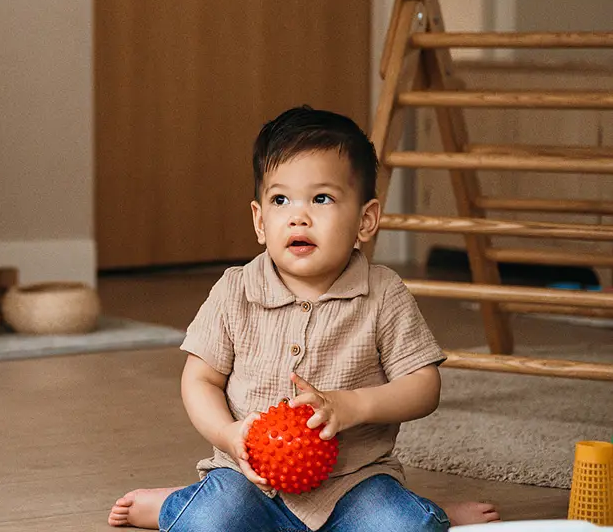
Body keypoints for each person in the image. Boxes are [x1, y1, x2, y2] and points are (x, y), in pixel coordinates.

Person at [108, 106, 500, 531]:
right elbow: (199, 379)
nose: (299, 216)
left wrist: (352, 406)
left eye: (321, 198)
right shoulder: (235, 289)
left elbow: (424, 387)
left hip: (353, 483)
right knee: (207, 521)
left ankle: (429, 513)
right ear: (260, 220)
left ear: (365, 220)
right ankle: (175, 504)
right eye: (281, 200)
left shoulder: (383, 292)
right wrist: (228, 434)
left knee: (406, 526)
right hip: (248, 479)